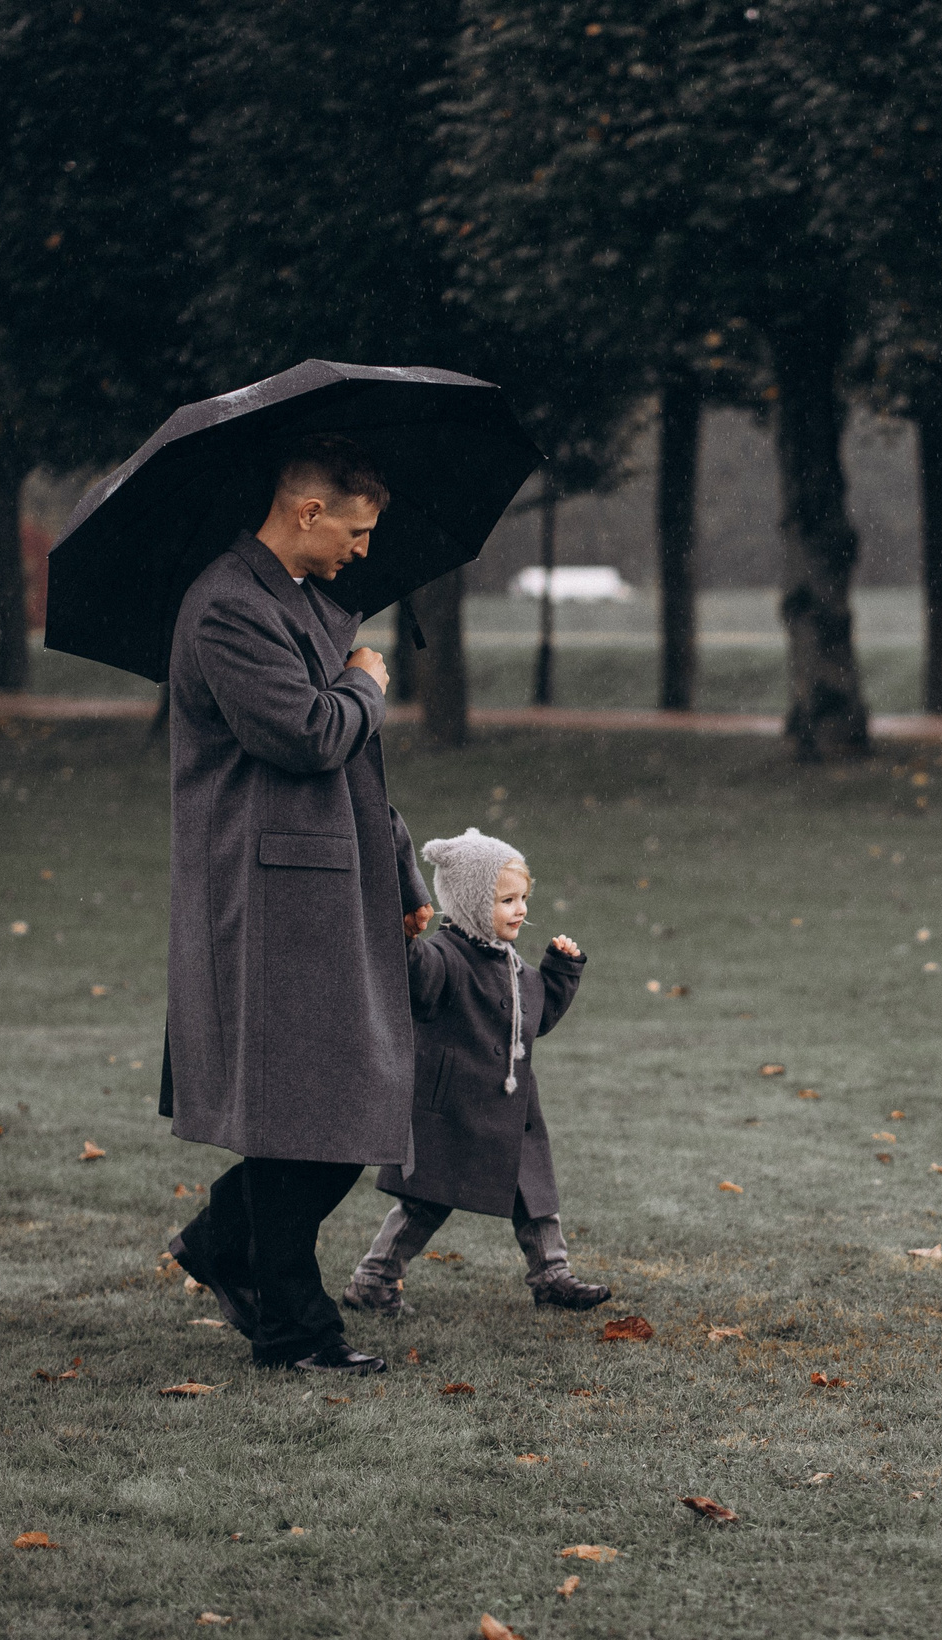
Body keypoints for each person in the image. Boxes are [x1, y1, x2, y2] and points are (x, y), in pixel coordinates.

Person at [159, 435, 433, 1375]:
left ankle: (222, 1243)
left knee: (343, 1104)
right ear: (308, 512)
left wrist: (401, 875)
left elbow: (357, 769)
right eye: (354, 531)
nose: (363, 551)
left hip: (333, 882)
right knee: (303, 1112)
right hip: (265, 892)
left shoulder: (316, 602)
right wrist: (366, 679)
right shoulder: (225, 607)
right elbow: (311, 735)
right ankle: (294, 1326)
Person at [340, 828, 611, 1317]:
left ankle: (552, 1275)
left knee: (534, 1193)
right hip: (452, 1108)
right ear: (467, 902)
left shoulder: (515, 965)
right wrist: (405, 940)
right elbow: (415, 980)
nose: (521, 909)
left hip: (511, 1108)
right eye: (506, 899)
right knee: (424, 1202)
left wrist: (560, 973)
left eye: (523, 898)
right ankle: (373, 1281)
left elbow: (535, 1021)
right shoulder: (445, 957)